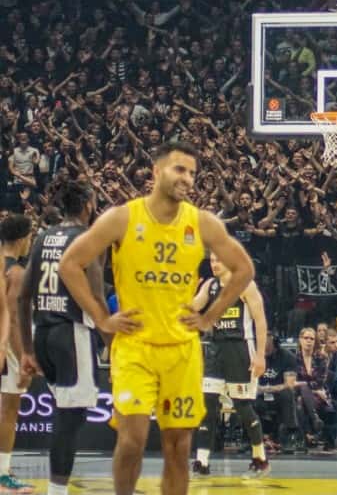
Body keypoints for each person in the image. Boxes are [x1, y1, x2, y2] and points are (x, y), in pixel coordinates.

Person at [58, 141, 254, 495]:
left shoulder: (202, 222)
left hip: (181, 350)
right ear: (156, 171)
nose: (187, 178)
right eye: (180, 169)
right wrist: (102, 319)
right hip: (135, 346)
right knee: (132, 440)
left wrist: (210, 317)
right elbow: (70, 264)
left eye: (192, 173)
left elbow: (244, 269)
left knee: (178, 447)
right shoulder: (123, 217)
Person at [17, 183, 100, 495]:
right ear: (88, 204)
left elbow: (23, 297)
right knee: (70, 419)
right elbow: (95, 297)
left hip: (43, 335)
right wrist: (115, 342)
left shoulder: (43, 236)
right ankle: (56, 492)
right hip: (71, 332)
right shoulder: (87, 238)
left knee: (67, 416)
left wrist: (27, 350)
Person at [190, 252, 269, 478]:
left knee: (242, 407)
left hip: (240, 349)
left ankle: (260, 459)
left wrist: (260, 355)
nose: (214, 264)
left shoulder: (245, 285)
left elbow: (260, 321)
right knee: (207, 404)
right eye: (212, 260)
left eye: (219, 260)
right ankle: (201, 461)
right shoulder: (210, 285)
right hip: (215, 349)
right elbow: (192, 307)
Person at [0, 214, 33, 494]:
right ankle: (2, 474)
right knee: (9, 411)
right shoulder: (17, 273)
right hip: (5, 348)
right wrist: (23, 358)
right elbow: (11, 320)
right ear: (23, 239)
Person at [294, 327, 330, 446]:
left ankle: (305, 436)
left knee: (300, 401)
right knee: (300, 399)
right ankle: (314, 420)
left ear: (315, 342)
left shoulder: (321, 358)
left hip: (319, 396)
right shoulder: (294, 359)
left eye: (312, 338)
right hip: (303, 394)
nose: (308, 341)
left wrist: (304, 385)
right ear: (300, 340)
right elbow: (293, 382)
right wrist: (310, 388)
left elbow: (320, 381)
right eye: (306, 338)